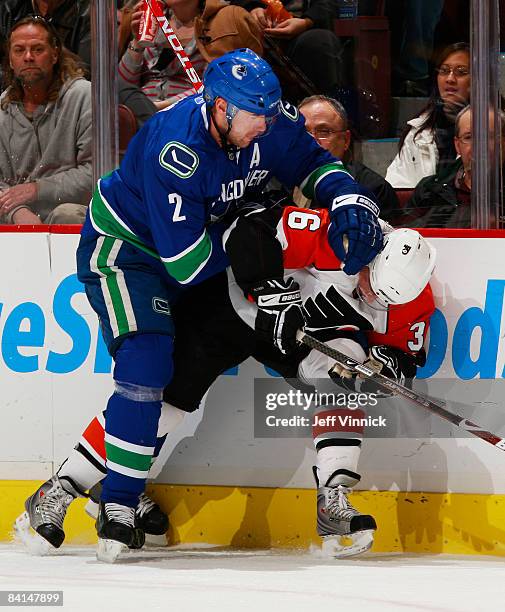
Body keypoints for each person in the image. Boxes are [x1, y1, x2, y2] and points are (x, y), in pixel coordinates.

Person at [72, 48, 383, 561]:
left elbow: (311, 163)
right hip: (131, 250)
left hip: (210, 251)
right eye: (253, 115)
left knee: (180, 375)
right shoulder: (175, 147)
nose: (265, 123)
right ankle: (119, 502)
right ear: (218, 107)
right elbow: (187, 265)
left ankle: (81, 483)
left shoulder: (262, 117)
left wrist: (348, 198)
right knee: (147, 364)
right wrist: (256, 230)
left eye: (268, 110)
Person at [17, 203, 435, 559]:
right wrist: (270, 292)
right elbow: (250, 228)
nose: (373, 299)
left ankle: (334, 497)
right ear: (375, 255)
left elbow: (404, 355)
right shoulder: (343, 234)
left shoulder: (413, 294)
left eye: (386, 300)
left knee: (347, 373)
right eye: (371, 288)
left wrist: (389, 365)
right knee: (161, 408)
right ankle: (60, 489)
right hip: (231, 308)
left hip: (302, 338)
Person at [0, 16, 92, 224]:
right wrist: (17, 212)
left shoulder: (83, 95)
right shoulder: (2, 107)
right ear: (11, 61)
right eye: (19, 50)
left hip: (72, 210)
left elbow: (94, 172)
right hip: (15, 214)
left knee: (66, 214)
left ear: (55, 54)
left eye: (38, 49)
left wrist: (36, 190)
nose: (28, 57)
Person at [117, 0, 263, 121]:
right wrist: (137, 42)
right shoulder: (151, 16)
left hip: (191, 112)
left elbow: (216, 85)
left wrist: (157, 107)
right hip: (140, 109)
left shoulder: (220, 20)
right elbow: (124, 86)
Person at [298, 95, 399, 221]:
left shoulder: (374, 189)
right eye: (303, 132)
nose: (311, 140)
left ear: (346, 140)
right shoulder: (285, 181)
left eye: (324, 132)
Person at [386, 42, 470, 189]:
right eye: (444, 71)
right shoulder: (417, 131)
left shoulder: (493, 128)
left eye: (461, 72)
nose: (450, 79)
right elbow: (397, 188)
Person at [230, 0, 342, 98]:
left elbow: (332, 4)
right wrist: (252, 8)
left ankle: (325, 112)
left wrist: (307, 22)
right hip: (254, 29)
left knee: (320, 42)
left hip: (303, 28)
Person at [398, 105, 471, 228]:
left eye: (490, 137)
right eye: (469, 137)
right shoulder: (429, 190)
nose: (480, 145)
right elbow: (405, 237)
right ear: (457, 145)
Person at [0, 1, 91, 80]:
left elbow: (89, 72)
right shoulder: (8, 10)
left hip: (68, 91)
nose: (28, 57)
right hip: (18, 91)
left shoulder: (90, 12)